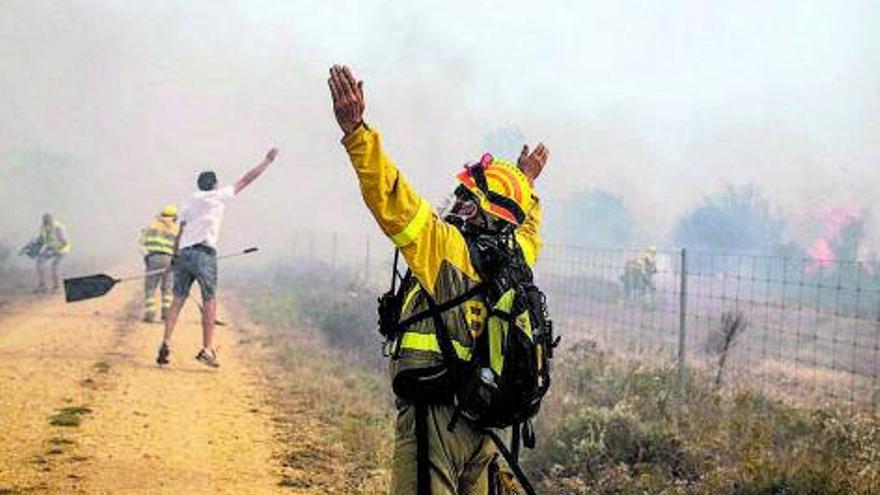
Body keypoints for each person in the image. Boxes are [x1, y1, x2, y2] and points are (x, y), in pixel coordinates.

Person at [328, 65, 549, 495]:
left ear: (475, 208)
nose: (456, 200)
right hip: (483, 427)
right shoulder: (517, 258)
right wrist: (526, 184)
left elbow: (391, 197)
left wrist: (357, 132)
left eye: (465, 195)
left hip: (436, 420)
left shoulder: (443, 247)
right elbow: (527, 227)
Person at [156, 148, 278, 367]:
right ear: (214, 184)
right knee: (209, 300)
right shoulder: (218, 196)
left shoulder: (189, 201)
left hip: (183, 253)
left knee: (177, 301)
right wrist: (267, 161)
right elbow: (246, 179)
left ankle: (166, 341)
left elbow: (180, 230)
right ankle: (207, 349)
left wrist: (173, 258)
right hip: (204, 253)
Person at [139, 204, 181, 323]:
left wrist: (146, 257)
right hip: (170, 260)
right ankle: (166, 313)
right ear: (174, 217)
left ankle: (150, 313)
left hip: (153, 258)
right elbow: (180, 247)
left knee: (150, 287)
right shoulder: (176, 229)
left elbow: (141, 243)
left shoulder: (151, 226)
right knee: (167, 287)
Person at [32, 213, 71, 293]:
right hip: (51, 248)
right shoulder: (44, 227)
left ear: (51, 220)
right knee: (39, 263)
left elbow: (65, 242)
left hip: (61, 250)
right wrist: (32, 247)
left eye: (46, 221)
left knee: (54, 267)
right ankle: (43, 285)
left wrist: (54, 251)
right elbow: (42, 239)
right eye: (44, 221)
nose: (45, 223)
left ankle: (56, 287)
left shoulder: (58, 228)